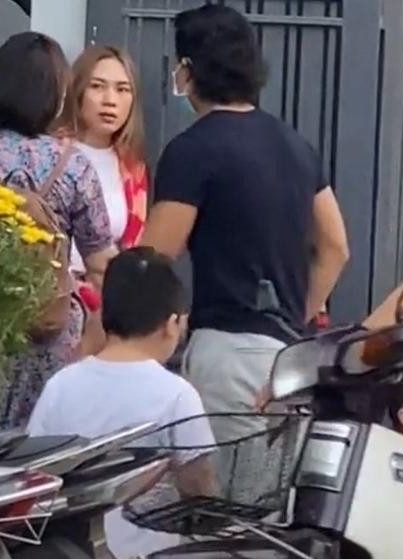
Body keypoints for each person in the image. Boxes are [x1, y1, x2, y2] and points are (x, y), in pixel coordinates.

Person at [140, 6, 349, 453]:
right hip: (291, 357)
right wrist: (295, 316)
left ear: (187, 70)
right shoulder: (296, 146)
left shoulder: (192, 150)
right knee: (275, 489)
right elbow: (335, 247)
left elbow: (152, 261)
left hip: (228, 350)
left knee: (227, 491)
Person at [0, 32, 116, 431]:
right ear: (57, 95)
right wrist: (96, 338)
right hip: (52, 330)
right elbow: (102, 264)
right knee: (44, 440)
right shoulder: (74, 165)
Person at [27, 247, 216, 559]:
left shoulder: (61, 384)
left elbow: (34, 473)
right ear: (172, 323)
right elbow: (198, 488)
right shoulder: (177, 395)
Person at [56, 45, 149, 356]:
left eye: (123, 90)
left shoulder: (132, 169)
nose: (110, 100)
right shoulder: (52, 153)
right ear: (77, 91)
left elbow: (132, 246)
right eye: (97, 86)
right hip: (52, 301)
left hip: (106, 311)